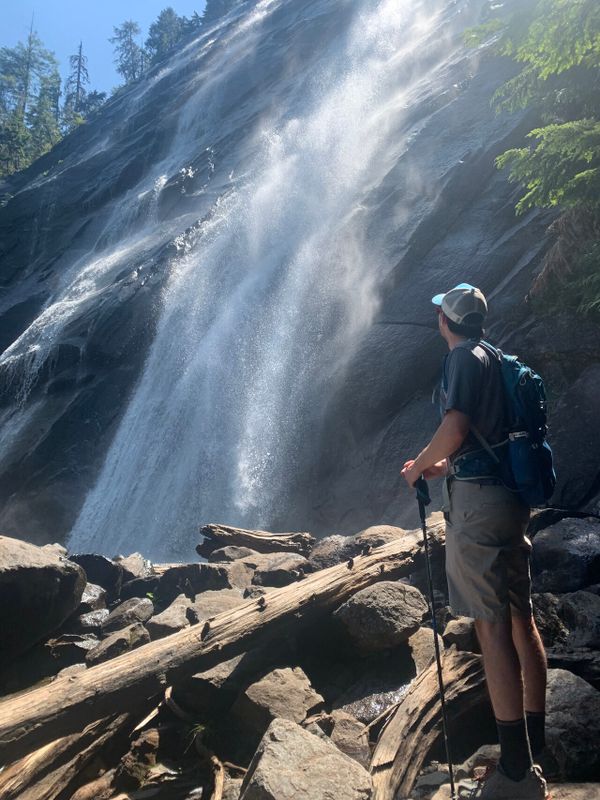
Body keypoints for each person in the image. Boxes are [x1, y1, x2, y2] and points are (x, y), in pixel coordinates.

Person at [401, 283, 548, 800]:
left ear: (446, 321)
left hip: (479, 510)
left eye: (439, 312)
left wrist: (419, 466)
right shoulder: (498, 357)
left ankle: (514, 774)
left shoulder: (462, 359)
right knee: (518, 616)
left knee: (490, 629)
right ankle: (534, 748)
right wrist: (441, 466)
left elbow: (457, 425)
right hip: (508, 500)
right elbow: (480, 440)